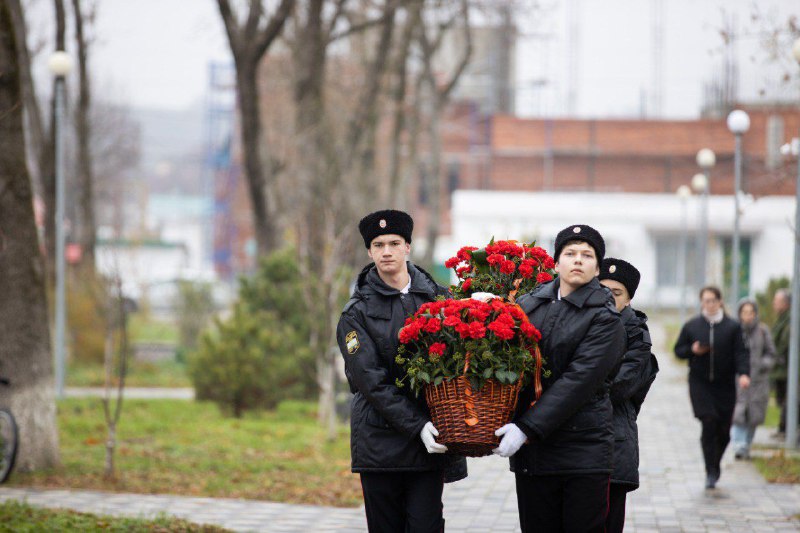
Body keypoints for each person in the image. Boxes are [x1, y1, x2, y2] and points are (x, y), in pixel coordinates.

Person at [336, 209, 466, 533]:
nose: (386, 251)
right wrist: (417, 425)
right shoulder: (356, 314)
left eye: (394, 243)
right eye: (378, 245)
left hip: (428, 444)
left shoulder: (439, 299)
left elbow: (459, 364)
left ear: (408, 246)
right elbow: (370, 382)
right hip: (381, 445)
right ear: (369, 251)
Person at [494, 224, 626, 533]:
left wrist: (526, 428)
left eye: (587, 255)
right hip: (535, 455)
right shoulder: (528, 305)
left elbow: (579, 381)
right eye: (570, 253)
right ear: (556, 263)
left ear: (597, 268)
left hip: (583, 452)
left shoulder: (605, 318)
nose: (578, 260)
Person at [599, 258, 659, 533]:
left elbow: (618, 388)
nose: (608, 299)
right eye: (602, 290)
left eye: (616, 293)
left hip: (614, 444)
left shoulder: (637, 337)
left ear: (629, 299)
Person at [674, 286, 750, 489]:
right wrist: (693, 350)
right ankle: (710, 471)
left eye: (712, 300)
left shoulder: (732, 327)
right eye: (705, 301)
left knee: (724, 430)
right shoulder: (692, 326)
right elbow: (678, 350)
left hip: (725, 385)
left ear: (720, 301)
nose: (709, 304)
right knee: (708, 422)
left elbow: (741, 352)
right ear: (701, 302)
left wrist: (744, 374)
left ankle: (715, 462)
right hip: (700, 383)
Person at [731, 299, 776, 459]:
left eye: (751, 312)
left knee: (754, 416)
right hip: (739, 380)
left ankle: (746, 445)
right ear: (740, 314)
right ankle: (738, 445)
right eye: (745, 312)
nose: (748, 316)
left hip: (759, 381)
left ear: (755, 314)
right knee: (738, 413)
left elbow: (771, 353)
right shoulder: (735, 330)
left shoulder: (763, 331)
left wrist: (762, 364)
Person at [770, 289, 791, 436]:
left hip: (786, 369)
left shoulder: (789, 320)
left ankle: (786, 429)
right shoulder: (782, 318)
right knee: (783, 399)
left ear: (785, 303)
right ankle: (784, 428)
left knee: (787, 400)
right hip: (781, 369)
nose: (773, 303)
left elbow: (784, 344)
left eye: (776, 301)